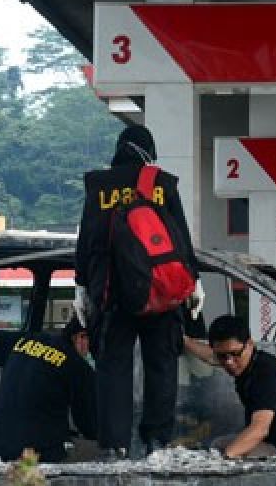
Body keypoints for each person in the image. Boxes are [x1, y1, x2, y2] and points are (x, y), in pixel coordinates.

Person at [74, 124, 203, 458]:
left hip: (111, 294)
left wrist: (80, 286)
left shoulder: (98, 186)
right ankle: (156, 439)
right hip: (159, 291)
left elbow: (87, 240)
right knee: (161, 364)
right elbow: (180, 238)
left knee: (113, 367)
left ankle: (114, 444)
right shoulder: (162, 184)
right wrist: (194, 281)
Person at [182, 314, 276, 460]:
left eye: (234, 354)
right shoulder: (246, 360)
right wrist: (185, 341)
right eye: (222, 356)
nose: (229, 362)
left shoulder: (265, 375)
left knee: (231, 452)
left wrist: (223, 462)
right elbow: (210, 356)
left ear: (250, 344)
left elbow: (259, 429)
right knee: (219, 445)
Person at [0, 314, 96, 462]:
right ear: (81, 337)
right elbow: (89, 427)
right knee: (93, 453)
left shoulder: (23, 341)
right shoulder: (78, 366)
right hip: (38, 455)